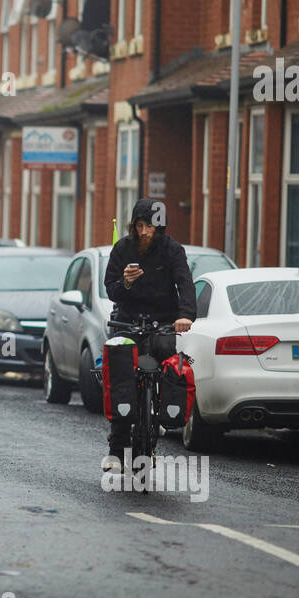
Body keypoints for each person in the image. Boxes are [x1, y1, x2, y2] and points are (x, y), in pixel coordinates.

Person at [100, 197, 197, 473]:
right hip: (128, 321)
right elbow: (111, 289)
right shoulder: (122, 249)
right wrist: (125, 283)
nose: (144, 232)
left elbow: (185, 283)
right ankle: (116, 449)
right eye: (140, 226)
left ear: (160, 228)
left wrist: (185, 316)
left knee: (169, 361)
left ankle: (160, 417)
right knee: (121, 376)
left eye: (150, 227)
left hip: (164, 321)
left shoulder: (173, 250)